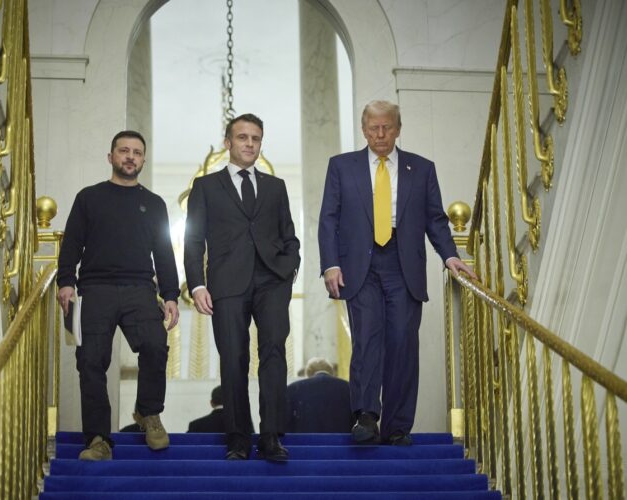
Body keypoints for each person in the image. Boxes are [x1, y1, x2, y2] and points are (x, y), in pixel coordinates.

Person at [318, 100, 476, 446]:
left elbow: (435, 219)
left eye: (387, 127)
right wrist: (331, 264)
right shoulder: (342, 167)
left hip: (403, 266)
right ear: (363, 130)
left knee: (404, 342)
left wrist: (450, 257)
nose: (380, 134)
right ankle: (365, 416)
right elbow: (329, 217)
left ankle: (398, 425)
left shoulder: (421, 169)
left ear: (398, 129)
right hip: (360, 266)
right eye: (373, 127)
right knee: (368, 339)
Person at [184, 113, 301, 462]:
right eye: (242, 137)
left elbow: (289, 235)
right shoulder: (205, 187)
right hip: (227, 283)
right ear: (228, 143)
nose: (250, 144)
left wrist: (289, 267)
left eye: (255, 138)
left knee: (274, 354)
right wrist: (197, 285)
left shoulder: (275, 187)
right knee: (233, 360)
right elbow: (193, 241)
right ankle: (237, 439)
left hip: (271, 281)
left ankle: (271, 437)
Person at [57, 130, 180, 460]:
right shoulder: (89, 198)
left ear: (143, 160)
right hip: (94, 290)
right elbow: (71, 244)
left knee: (155, 345)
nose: (130, 156)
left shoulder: (154, 204)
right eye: (123, 151)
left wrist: (171, 295)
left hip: (140, 288)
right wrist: (66, 282)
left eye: (137, 152)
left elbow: (164, 253)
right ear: (110, 157)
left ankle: (148, 413)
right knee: (91, 362)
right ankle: (98, 439)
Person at [286, 358, 353, 433]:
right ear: (332, 372)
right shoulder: (349, 388)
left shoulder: (292, 389)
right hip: (343, 442)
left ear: (307, 374)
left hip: (302, 442)